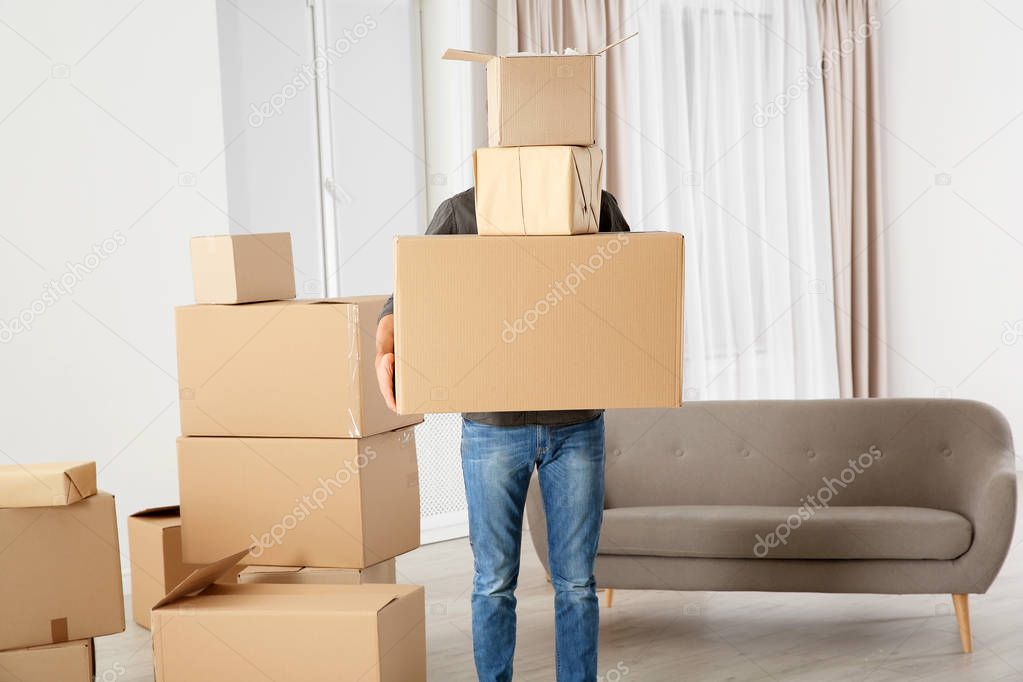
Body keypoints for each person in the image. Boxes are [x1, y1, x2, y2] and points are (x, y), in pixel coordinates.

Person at [375, 186, 630, 682]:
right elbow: (407, 296)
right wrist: (383, 352)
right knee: (493, 582)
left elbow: (629, 286)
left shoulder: (588, 201)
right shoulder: (461, 212)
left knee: (576, 583)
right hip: (492, 429)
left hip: (576, 425)